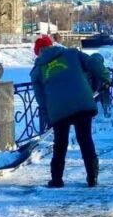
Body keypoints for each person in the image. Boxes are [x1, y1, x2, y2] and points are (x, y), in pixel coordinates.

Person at [30, 35, 102, 188]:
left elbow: (40, 98)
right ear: (52, 45)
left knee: (60, 144)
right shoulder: (72, 54)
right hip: (82, 103)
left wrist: (48, 112)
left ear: (38, 52)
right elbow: (93, 63)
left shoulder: (37, 70)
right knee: (85, 139)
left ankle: (57, 180)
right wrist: (106, 77)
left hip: (58, 109)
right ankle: (92, 178)